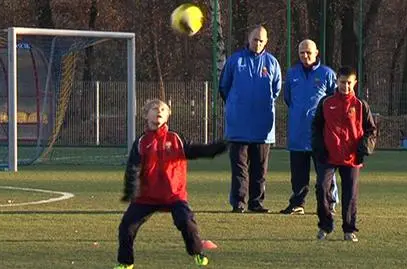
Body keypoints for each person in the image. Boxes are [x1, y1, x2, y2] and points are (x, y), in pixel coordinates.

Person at [113, 99, 227, 269]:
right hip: (146, 197)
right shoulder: (141, 142)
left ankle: (197, 253)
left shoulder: (175, 139)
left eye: (163, 109)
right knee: (126, 227)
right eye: (154, 108)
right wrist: (131, 190)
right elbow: (132, 167)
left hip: (174, 195)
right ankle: (125, 263)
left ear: (167, 116)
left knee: (186, 222)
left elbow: (198, 150)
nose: (158, 111)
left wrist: (220, 146)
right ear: (146, 114)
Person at [219, 24, 282, 213]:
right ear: (249, 39)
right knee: (239, 168)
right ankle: (239, 203)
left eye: (262, 40)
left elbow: (276, 90)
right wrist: (236, 105)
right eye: (255, 39)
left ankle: (256, 203)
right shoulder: (235, 61)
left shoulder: (272, 63)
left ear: (266, 42)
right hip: (238, 125)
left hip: (263, 128)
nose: (258, 43)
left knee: (259, 169)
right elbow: (224, 87)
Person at [312, 66, 377, 242]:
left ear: (355, 83)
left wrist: (364, 148)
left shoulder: (361, 105)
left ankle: (349, 229)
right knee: (322, 189)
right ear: (337, 81)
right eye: (342, 82)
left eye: (349, 83)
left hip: (351, 157)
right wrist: (319, 148)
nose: (345, 86)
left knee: (350, 195)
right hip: (328, 156)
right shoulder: (326, 102)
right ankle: (325, 225)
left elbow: (371, 130)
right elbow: (316, 127)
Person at [280, 39, 339, 215]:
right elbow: (288, 98)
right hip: (298, 132)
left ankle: (329, 203)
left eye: (308, 52)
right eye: (301, 53)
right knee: (298, 175)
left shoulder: (327, 74)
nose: (305, 56)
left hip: (320, 134)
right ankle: (298, 203)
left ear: (316, 52)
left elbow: (333, 101)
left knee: (325, 173)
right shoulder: (292, 73)